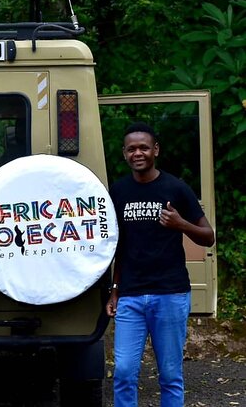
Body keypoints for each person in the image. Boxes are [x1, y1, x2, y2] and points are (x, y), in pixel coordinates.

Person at [106, 122, 215, 407]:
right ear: (124, 154)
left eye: (143, 147)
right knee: (124, 371)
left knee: (170, 374)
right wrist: (114, 290)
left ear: (156, 150)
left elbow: (208, 237)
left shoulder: (175, 188)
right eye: (131, 149)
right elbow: (117, 246)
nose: (137, 153)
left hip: (170, 294)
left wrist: (181, 223)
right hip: (130, 295)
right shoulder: (118, 192)